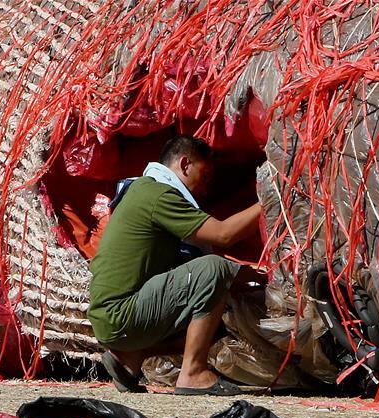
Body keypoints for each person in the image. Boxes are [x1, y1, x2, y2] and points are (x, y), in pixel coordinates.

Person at [88, 135, 262, 396]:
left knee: (219, 308)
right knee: (215, 269)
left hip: (111, 319)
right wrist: (270, 201)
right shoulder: (157, 193)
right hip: (121, 314)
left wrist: (245, 279)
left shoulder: (143, 190)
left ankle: (131, 355)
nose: (205, 188)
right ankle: (192, 372)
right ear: (185, 164)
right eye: (204, 177)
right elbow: (224, 234)